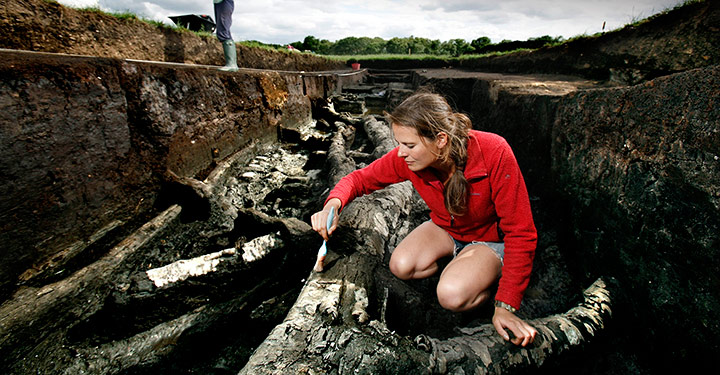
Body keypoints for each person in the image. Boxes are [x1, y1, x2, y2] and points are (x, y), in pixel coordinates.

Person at [311, 92, 538, 346]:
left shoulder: (494, 151)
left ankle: (485, 275)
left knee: (451, 295)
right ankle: (460, 266)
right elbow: (358, 179)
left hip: (488, 239)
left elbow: (521, 232)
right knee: (402, 265)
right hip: (446, 227)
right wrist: (333, 204)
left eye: (409, 145)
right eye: (399, 144)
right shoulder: (408, 160)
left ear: (440, 139)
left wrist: (506, 304)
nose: (400, 154)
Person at [213, 0, 238, 71]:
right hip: (219, 2)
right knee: (222, 29)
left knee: (223, 30)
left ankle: (232, 64)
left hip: (224, 2)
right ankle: (231, 64)